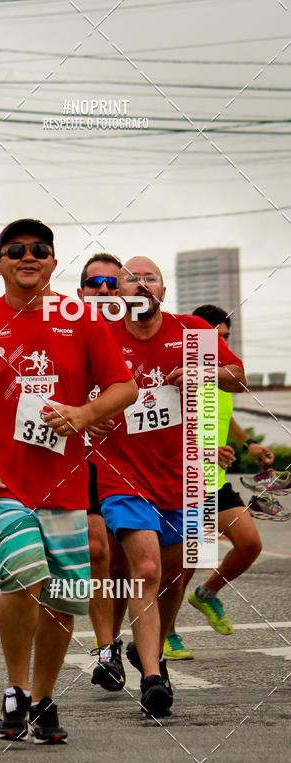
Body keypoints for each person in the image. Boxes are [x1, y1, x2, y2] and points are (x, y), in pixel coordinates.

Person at [0, 218, 137, 743]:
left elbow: (125, 387)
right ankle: (14, 689)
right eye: (15, 250)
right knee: (24, 578)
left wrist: (83, 413)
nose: (28, 256)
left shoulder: (82, 321)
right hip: (3, 484)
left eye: (39, 250)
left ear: (53, 261)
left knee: (65, 597)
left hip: (67, 486)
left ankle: (44, 699)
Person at [91, 257, 246, 715]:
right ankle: (155, 677)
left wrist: (206, 373)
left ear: (162, 288)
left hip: (183, 476)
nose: (139, 284)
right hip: (123, 475)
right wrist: (86, 413)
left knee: (173, 576)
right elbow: (71, 384)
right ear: (118, 293)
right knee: (144, 568)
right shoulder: (102, 335)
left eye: (149, 277)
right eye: (129, 280)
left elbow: (239, 378)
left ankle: (146, 645)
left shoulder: (193, 330)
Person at [163, 305, 269, 657]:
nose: (224, 344)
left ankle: (206, 595)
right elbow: (170, 430)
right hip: (186, 482)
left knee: (249, 544)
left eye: (226, 337)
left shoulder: (222, 377)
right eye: (217, 338)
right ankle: (167, 632)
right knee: (185, 564)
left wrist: (247, 443)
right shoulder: (180, 376)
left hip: (216, 481)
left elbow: (227, 415)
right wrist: (206, 451)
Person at [77, 252, 128, 691]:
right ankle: (107, 649)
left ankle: (139, 637)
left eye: (114, 284)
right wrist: (87, 414)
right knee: (98, 553)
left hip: (134, 462)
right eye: (96, 284)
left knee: (128, 560)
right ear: (81, 292)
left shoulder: (143, 331)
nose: (105, 292)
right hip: (80, 459)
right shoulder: (64, 330)